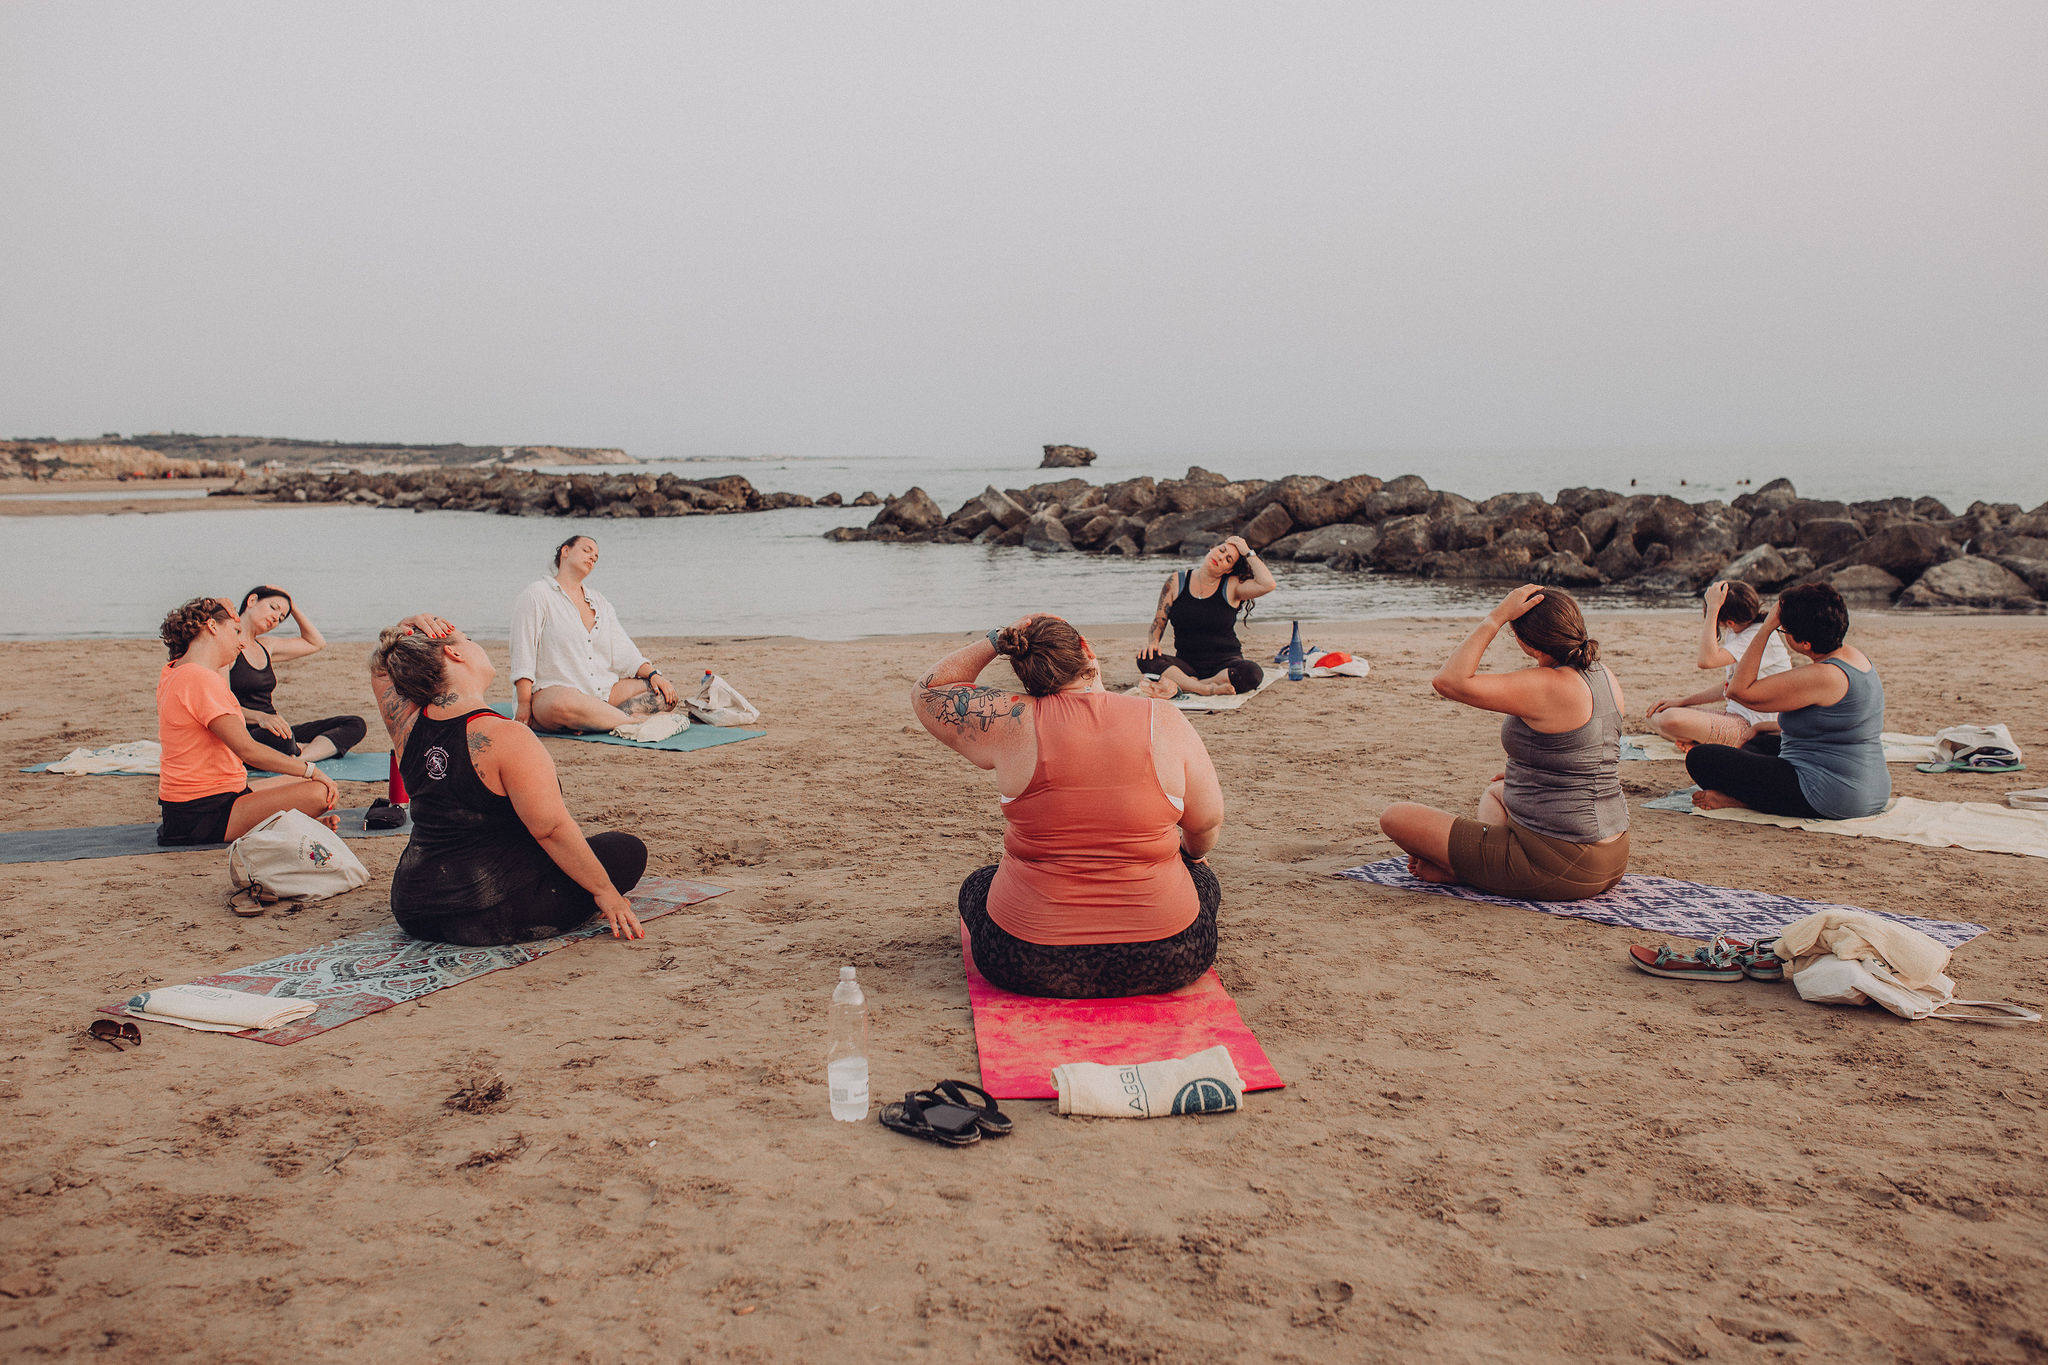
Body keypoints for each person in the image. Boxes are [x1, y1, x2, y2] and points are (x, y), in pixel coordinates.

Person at [913, 614, 1226, 998]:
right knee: (1201, 877)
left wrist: (996, 640)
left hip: (1027, 960)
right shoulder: (1162, 718)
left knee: (978, 884)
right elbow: (1205, 824)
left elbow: (929, 690)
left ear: (1024, 670)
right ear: (1086, 649)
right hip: (1170, 956)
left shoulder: (1010, 719)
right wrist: (1191, 857)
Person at [370, 613, 649, 947]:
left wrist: (405, 628)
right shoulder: (507, 736)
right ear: (454, 653)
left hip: (414, 909)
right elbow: (551, 830)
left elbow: (382, 670)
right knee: (626, 851)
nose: (475, 645)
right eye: (468, 639)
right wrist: (606, 894)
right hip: (490, 912)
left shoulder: (406, 724)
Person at [1378, 585, 1630, 901]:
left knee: (1395, 817)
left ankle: (1463, 872)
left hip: (1562, 866)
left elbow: (1449, 681)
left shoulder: (1547, 685)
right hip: (1612, 854)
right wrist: (1526, 774)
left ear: (1526, 642)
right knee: (1496, 792)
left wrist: (1496, 617)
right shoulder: (1602, 674)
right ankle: (1483, 866)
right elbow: (1586, 751)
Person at [1684, 583, 1889, 819]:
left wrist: (1766, 629)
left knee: (1701, 758)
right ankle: (1752, 795)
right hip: (1869, 785)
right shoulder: (1852, 656)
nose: (1780, 630)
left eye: (1784, 630)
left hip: (1832, 794)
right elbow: (1835, 725)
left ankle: (1742, 801)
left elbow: (1738, 691)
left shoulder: (1823, 676)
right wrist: (1764, 726)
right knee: (1757, 742)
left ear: (1805, 644)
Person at [154, 598, 340, 846]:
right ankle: (290, 825)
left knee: (303, 782)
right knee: (320, 791)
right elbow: (247, 750)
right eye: (236, 631)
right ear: (212, 626)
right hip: (204, 812)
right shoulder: (200, 679)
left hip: (205, 802)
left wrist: (218, 605)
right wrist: (311, 768)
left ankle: (289, 825)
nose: (242, 642)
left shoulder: (176, 670)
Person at [510, 535, 680, 733]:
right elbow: (523, 652)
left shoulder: (599, 602)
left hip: (602, 693)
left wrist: (653, 675)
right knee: (563, 704)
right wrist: (524, 703)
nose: (592, 557)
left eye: (596, 557)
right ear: (565, 551)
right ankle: (634, 723)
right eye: (586, 550)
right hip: (555, 693)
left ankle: (596, 720)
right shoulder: (537, 594)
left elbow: (624, 650)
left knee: (665, 694)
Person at [1644, 580, 1793, 751]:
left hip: (1754, 726)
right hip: (1735, 716)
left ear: (1729, 622)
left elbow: (1706, 661)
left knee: (1670, 719)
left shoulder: (1756, 635)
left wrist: (1713, 610)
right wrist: (1683, 701)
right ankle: (1699, 740)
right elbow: (1729, 686)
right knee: (1654, 714)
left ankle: (1703, 741)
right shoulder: (1738, 631)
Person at [228, 585, 368, 763]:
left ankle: (301, 758)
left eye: (281, 618)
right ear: (252, 600)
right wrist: (260, 717)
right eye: (273, 607)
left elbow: (316, 643)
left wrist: (292, 606)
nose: (275, 618)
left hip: (276, 728)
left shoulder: (266, 646)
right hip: (246, 732)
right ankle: (301, 750)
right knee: (281, 739)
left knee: (355, 724)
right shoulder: (227, 644)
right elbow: (219, 704)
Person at [1136, 534, 1276, 697]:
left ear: (1229, 570)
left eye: (1228, 559)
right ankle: (1204, 688)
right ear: (1212, 548)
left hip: (1225, 663)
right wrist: (1153, 643)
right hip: (1186, 664)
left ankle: (1191, 684)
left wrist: (1247, 551)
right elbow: (1159, 620)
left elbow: (1268, 584)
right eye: (1221, 550)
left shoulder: (1232, 586)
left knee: (1252, 673)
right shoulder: (1176, 581)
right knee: (1146, 658)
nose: (1221, 557)